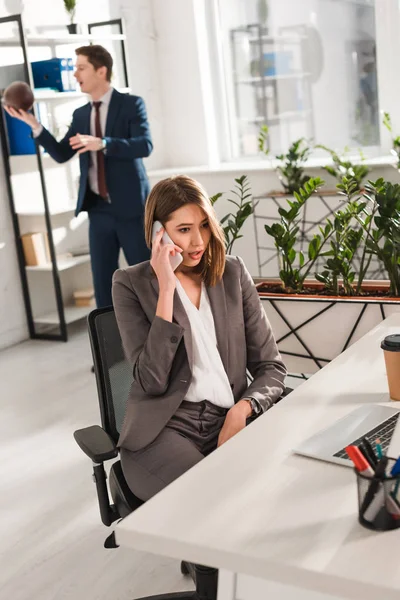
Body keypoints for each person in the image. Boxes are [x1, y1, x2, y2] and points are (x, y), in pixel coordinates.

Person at [112, 175, 286, 598]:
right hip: (165, 430)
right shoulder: (130, 284)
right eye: (183, 229)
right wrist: (166, 287)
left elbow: (271, 367)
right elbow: (151, 380)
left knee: (277, 495)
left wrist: (242, 411)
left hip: (229, 416)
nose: (196, 241)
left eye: (203, 225)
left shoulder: (232, 274)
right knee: (221, 511)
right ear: (159, 233)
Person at [4, 45, 152, 308]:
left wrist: (104, 143)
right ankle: (110, 344)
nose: (75, 74)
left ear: (101, 70)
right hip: (98, 212)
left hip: (131, 210)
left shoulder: (131, 104)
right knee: (104, 286)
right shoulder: (80, 114)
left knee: (148, 280)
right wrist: (34, 125)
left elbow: (144, 145)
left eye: (81, 67)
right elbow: (62, 153)